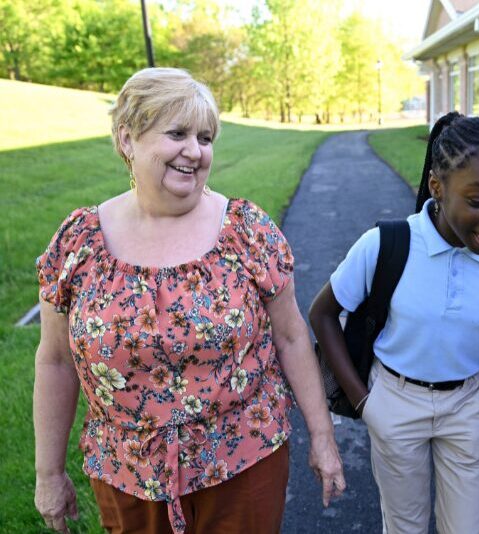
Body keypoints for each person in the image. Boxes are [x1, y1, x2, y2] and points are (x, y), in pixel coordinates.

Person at [33, 67, 345, 534]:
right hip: (128, 475)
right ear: (127, 139)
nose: (195, 152)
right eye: (177, 133)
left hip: (244, 462)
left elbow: (291, 336)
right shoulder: (79, 244)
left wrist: (323, 437)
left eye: (205, 137)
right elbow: (55, 362)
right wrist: (49, 474)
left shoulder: (246, 231)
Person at [309, 113, 479, 534]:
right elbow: (322, 314)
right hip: (395, 402)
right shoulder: (386, 243)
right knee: (405, 526)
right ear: (438, 187)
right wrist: (365, 403)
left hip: (468, 404)